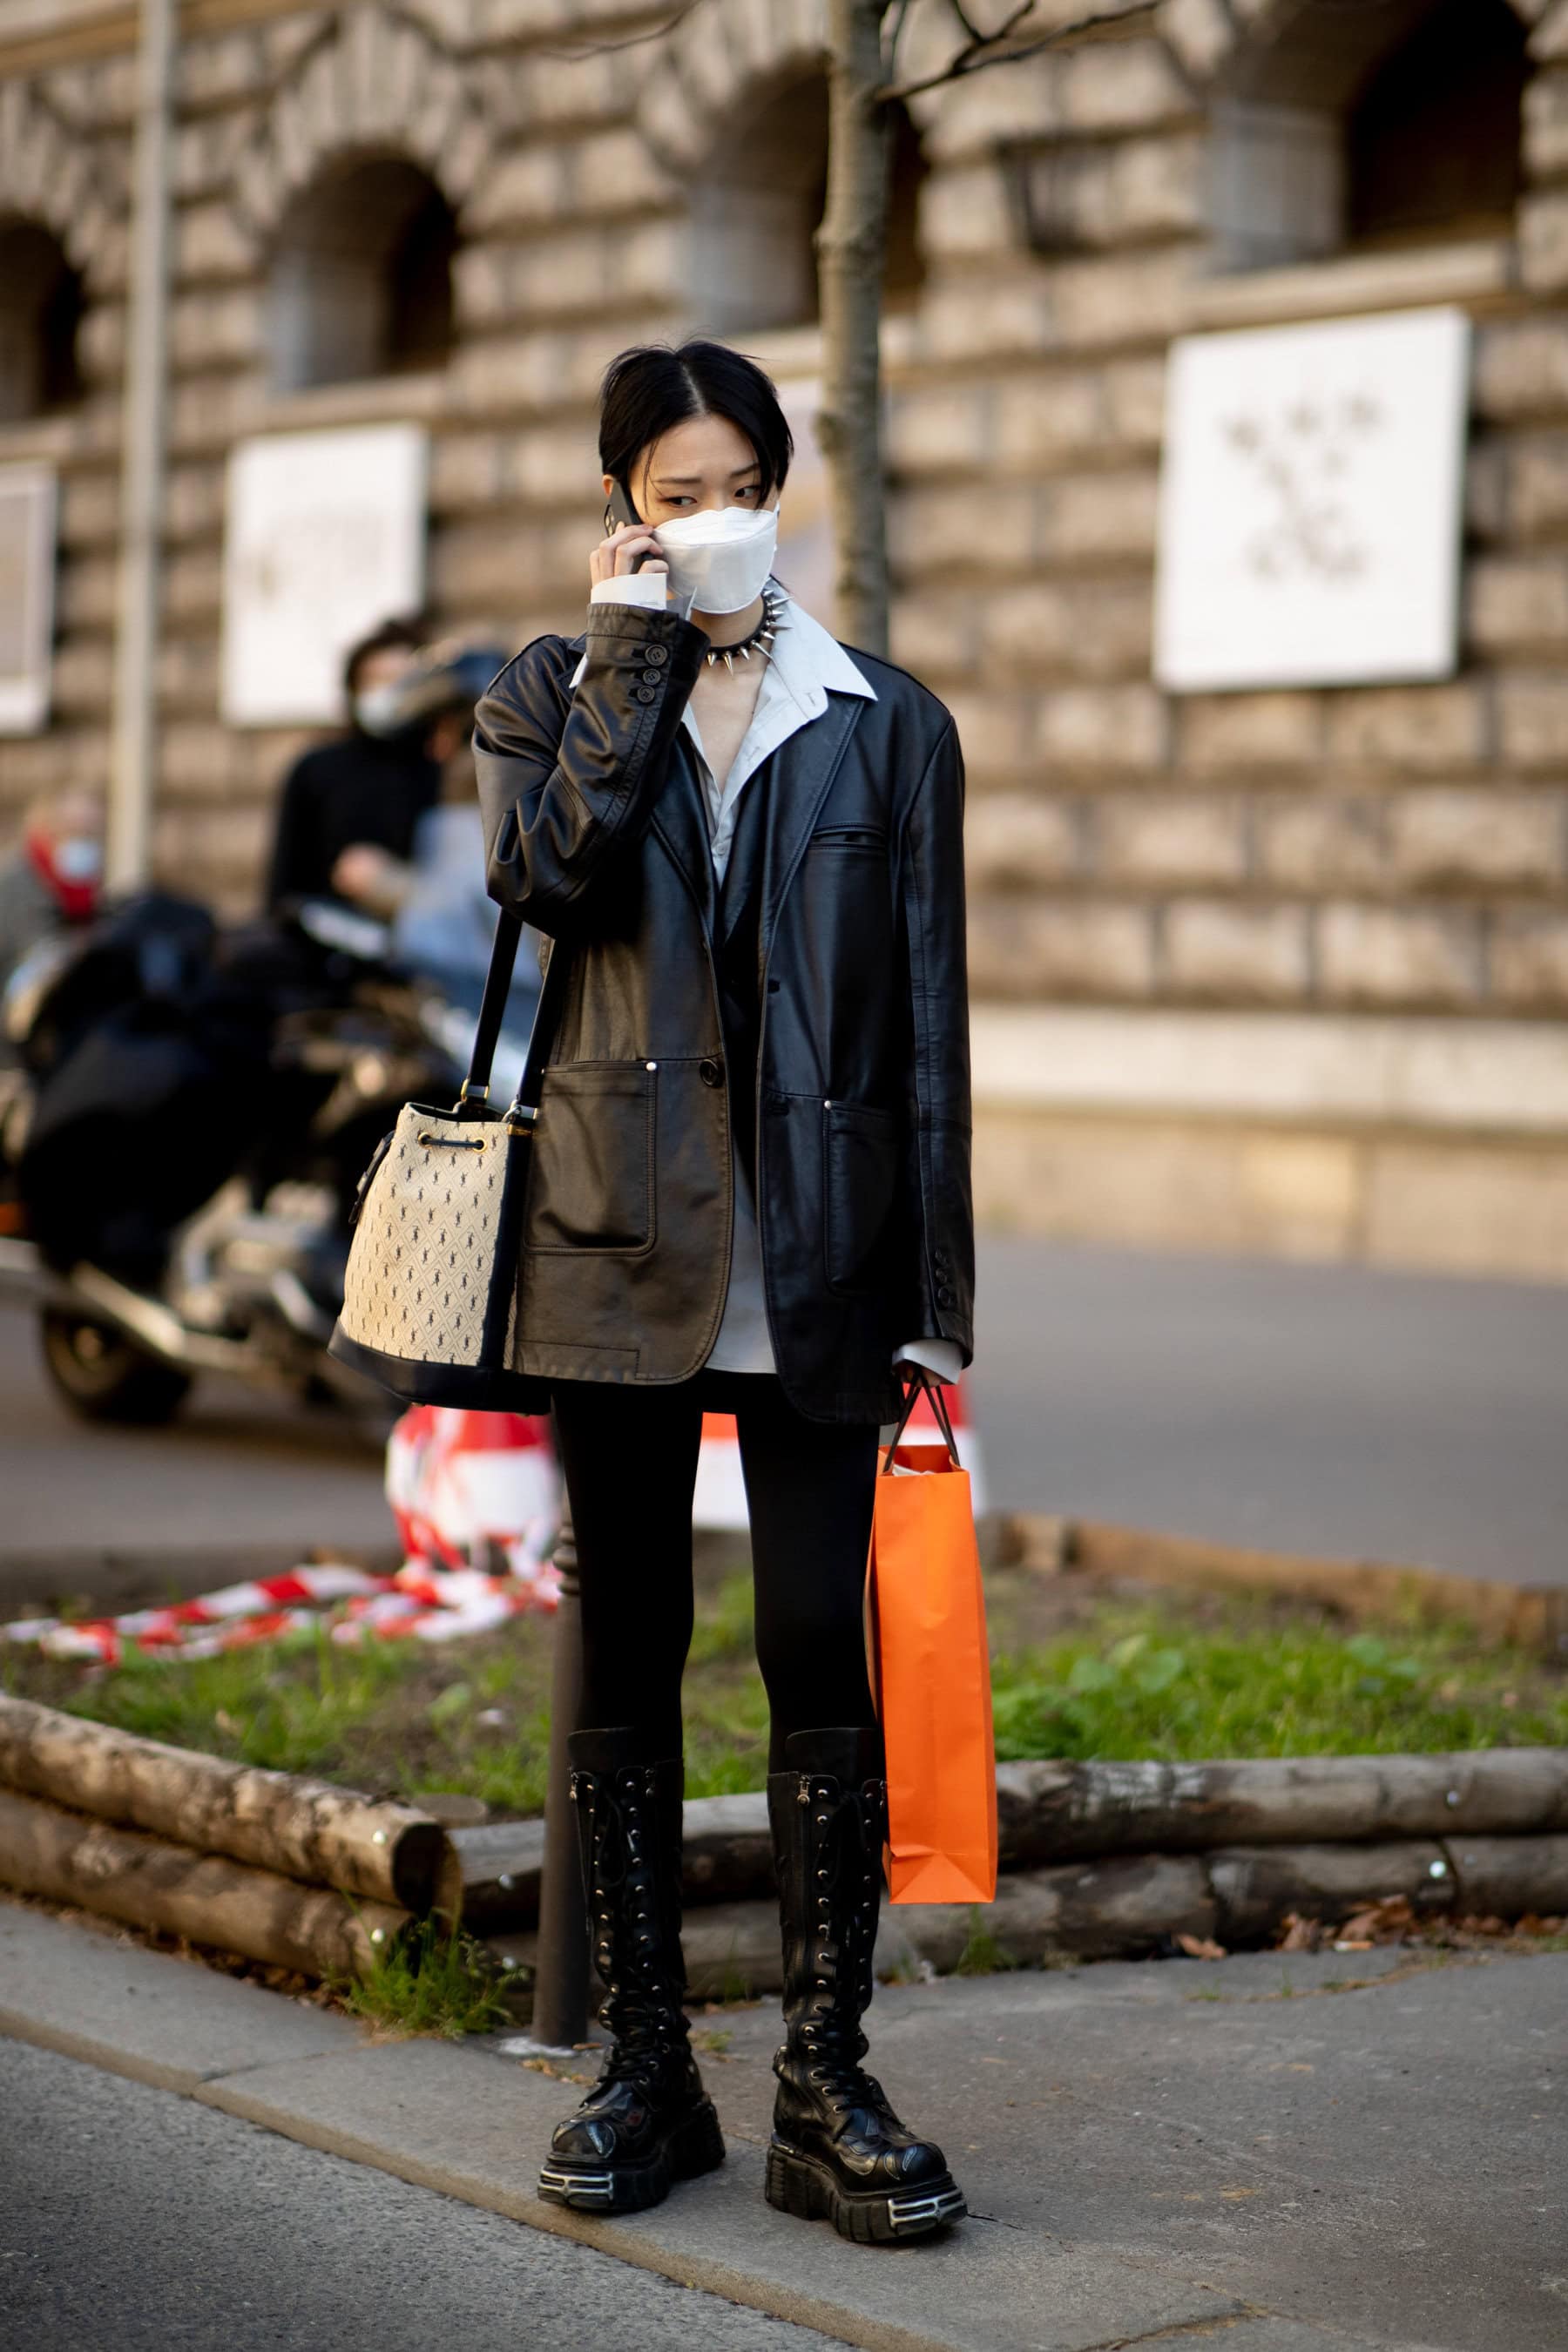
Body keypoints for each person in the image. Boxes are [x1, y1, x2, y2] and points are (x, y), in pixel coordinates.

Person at [471, 340, 973, 2243]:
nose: (715, 517)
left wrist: (938, 1292)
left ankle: (826, 2078)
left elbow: (928, 1021)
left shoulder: (883, 719)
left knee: (814, 1654)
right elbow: (546, 879)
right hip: (614, 1252)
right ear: (622, 507)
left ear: (786, 484)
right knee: (634, 1658)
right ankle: (651, 2068)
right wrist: (630, 658)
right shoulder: (543, 693)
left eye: (741, 480)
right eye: (675, 492)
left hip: (823, 1269)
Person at [331, 634, 542, 1033]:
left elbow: (489, 915)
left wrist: (388, 885)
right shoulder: (452, 804)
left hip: (510, 1020)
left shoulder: (513, 806)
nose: (437, 750)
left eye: (444, 732)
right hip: (459, 1013)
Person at [262, 617, 440, 913]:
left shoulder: (444, 770)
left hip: (423, 948)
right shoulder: (317, 770)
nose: (387, 692)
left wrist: (390, 883)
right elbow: (284, 883)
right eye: (375, 680)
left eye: (400, 681)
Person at [0, 786, 105, 996]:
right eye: (73, 831)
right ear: (46, 829)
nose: (83, 841)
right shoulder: (17, 881)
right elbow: (34, 953)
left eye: (90, 833)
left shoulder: (82, 886)